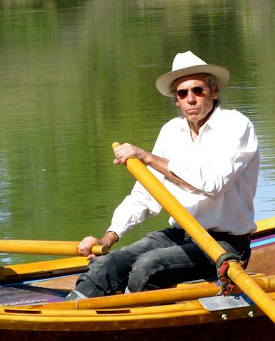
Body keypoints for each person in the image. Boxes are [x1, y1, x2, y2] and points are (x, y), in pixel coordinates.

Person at [65, 50, 259, 300]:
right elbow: (146, 194)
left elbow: (212, 183)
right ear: (176, 100)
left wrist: (147, 157)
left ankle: (127, 320)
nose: (191, 99)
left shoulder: (236, 126)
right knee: (108, 264)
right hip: (180, 235)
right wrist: (109, 236)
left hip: (226, 245)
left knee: (148, 266)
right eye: (182, 93)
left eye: (197, 90)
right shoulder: (171, 131)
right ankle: (73, 312)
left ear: (214, 91)